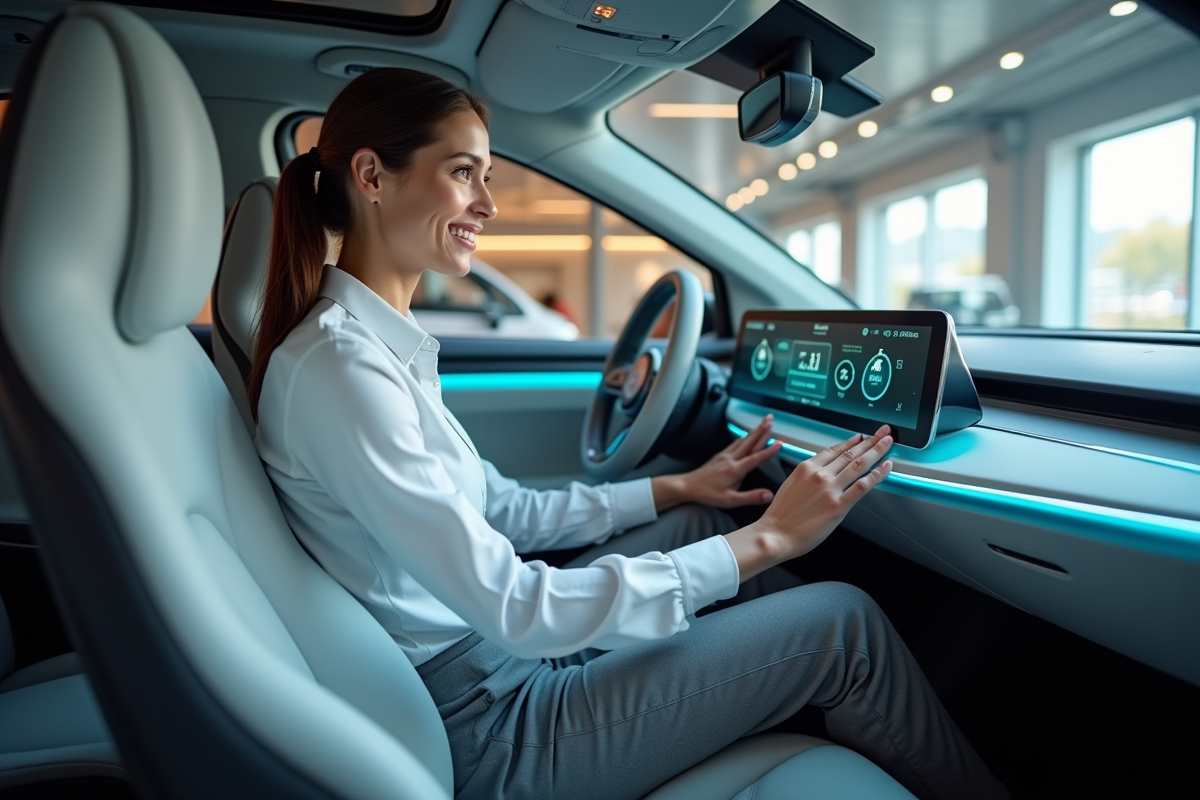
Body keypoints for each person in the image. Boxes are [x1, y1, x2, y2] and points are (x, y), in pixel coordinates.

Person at [250, 68, 1007, 800]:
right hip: (493, 723)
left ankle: (812, 702)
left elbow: (501, 509)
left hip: (496, 662)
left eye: (485, 176)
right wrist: (771, 539)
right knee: (843, 626)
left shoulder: (377, 346)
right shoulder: (341, 370)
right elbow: (515, 605)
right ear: (373, 176)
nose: (488, 203)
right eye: (463, 172)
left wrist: (676, 486)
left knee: (703, 520)